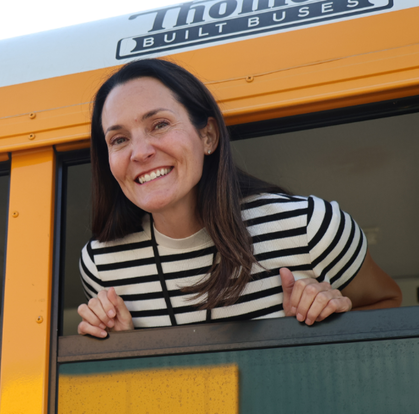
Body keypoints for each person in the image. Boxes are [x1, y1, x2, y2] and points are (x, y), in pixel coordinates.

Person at [77, 59, 400, 338]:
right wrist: (118, 347)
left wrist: (329, 322)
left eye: (159, 124)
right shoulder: (102, 267)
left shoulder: (309, 227)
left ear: (208, 136)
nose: (141, 152)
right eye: (119, 139)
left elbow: (389, 305)